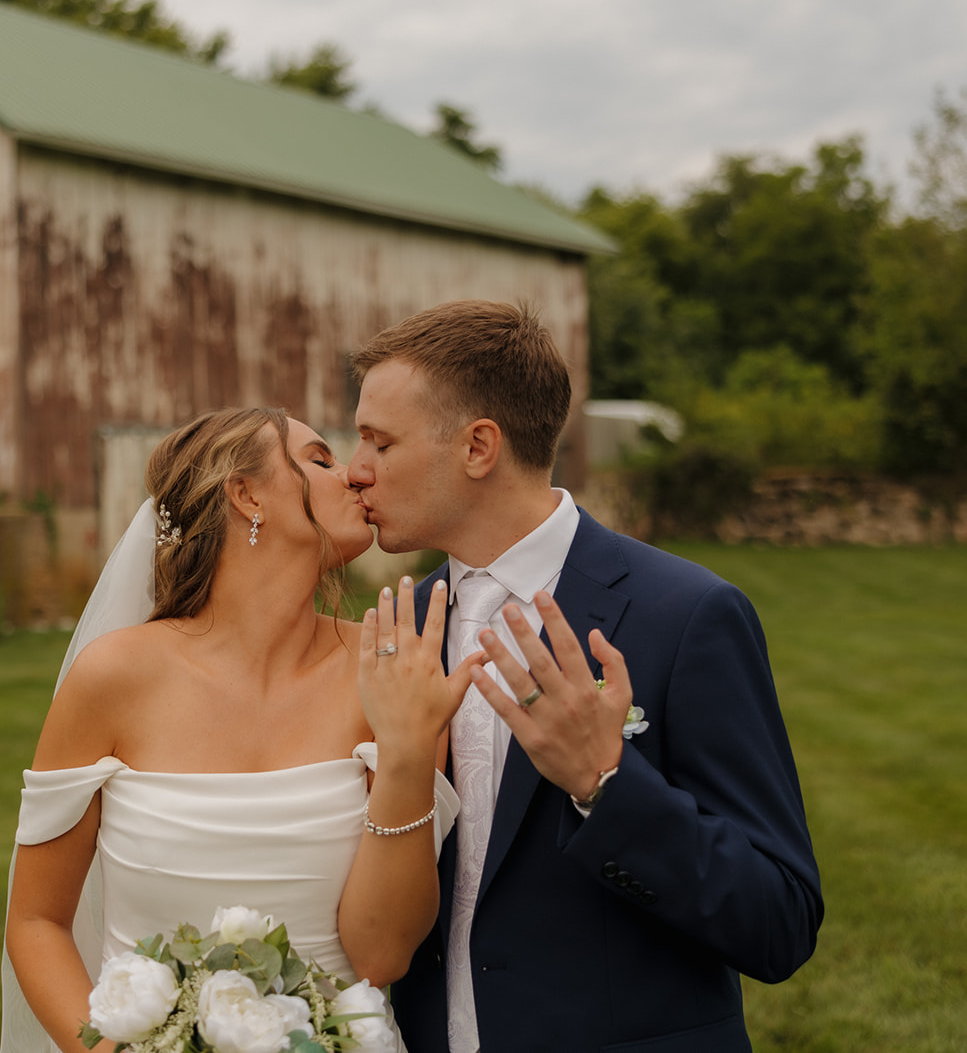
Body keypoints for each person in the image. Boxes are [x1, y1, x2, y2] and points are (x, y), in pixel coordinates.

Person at [346, 300, 823, 1053]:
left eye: (379, 440)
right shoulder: (399, 628)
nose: (355, 469)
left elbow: (780, 920)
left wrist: (604, 782)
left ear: (477, 447)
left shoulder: (687, 615)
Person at [0, 407, 483, 1053]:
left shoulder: (390, 674)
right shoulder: (113, 677)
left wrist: (404, 755)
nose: (356, 476)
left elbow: (383, 953)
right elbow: (36, 920)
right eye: (320, 459)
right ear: (246, 492)